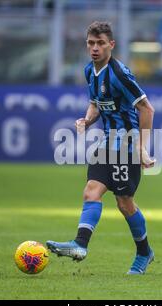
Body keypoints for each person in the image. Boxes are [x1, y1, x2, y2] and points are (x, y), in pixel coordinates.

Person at [46, 21, 156, 275]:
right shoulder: (89, 71)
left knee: (125, 203)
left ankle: (144, 252)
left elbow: (147, 108)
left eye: (100, 43)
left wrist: (142, 148)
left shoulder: (119, 74)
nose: (95, 48)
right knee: (91, 191)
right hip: (106, 144)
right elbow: (96, 104)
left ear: (111, 45)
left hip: (127, 146)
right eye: (91, 43)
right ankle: (80, 244)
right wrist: (87, 119)